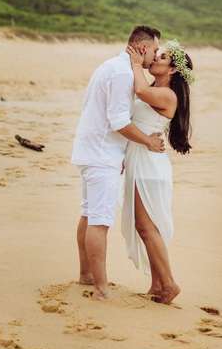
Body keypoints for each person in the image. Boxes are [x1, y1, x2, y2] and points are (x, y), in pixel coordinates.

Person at [71, 25, 166, 301]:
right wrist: (147, 141)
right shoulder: (123, 72)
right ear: (143, 48)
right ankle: (101, 287)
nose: (155, 56)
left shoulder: (112, 66)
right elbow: (118, 121)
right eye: (155, 50)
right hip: (101, 154)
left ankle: (86, 275)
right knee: (99, 221)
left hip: (93, 150)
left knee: (89, 214)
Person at [120, 38, 194, 305]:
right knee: (145, 227)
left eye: (161, 58)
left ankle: (170, 283)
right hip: (142, 159)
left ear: (172, 70)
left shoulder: (167, 95)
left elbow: (139, 91)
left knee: (146, 226)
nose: (155, 59)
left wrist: (136, 63)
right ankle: (157, 284)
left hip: (149, 165)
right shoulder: (156, 87)